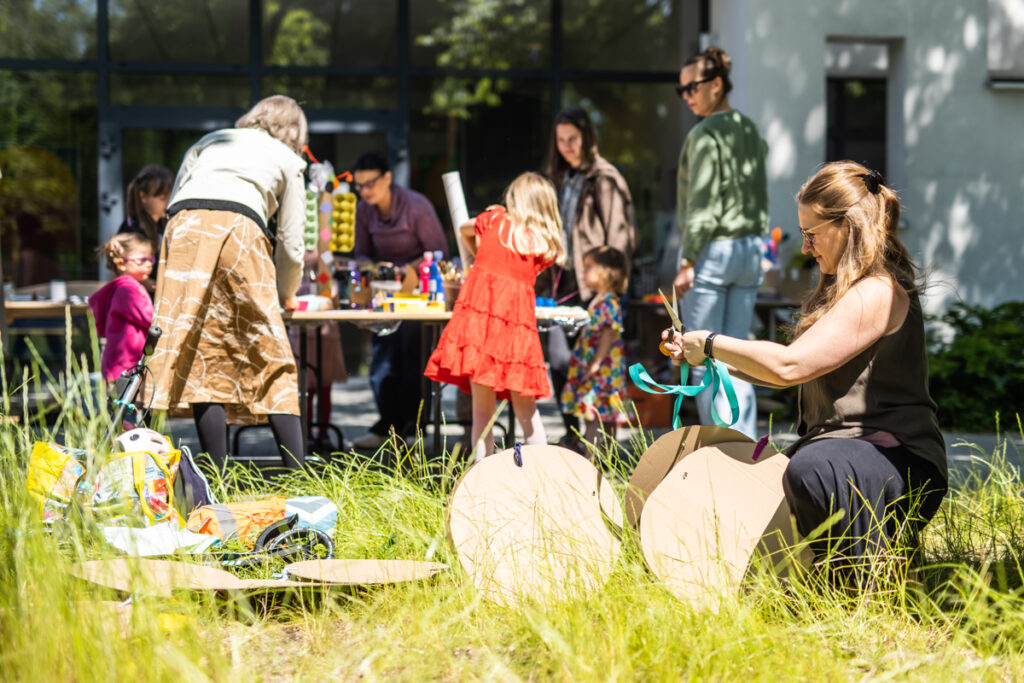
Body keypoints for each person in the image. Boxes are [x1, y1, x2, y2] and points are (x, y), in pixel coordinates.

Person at [664, 161, 948, 585]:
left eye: (811, 233)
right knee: (754, 481)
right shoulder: (845, 288)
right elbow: (793, 369)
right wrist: (704, 357)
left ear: (847, 225)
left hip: (897, 461)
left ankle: (865, 578)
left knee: (811, 469)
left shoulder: (878, 291)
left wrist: (710, 343)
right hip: (849, 455)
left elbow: (788, 365)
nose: (805, 248)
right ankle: (825, 574)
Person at [148, 95, 308, 470]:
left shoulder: (211, 141)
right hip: (239, 225)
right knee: (272, 353)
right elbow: (291, 242)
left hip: (183, 226)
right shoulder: (288, 159)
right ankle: (302, 480)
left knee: (203, 349)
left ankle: (214, 477)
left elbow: (177, 202)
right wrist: (286, 295)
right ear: (295, 131)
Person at [425, 172, 565, 460]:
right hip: (517, 337)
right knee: (529, 416)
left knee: (482, 416)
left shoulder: (494, 221)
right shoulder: (541, 244)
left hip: (479, 330)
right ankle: (544, 481)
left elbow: (464, 227)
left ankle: (480, 486)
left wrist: (479, 252)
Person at [672, 46, 768, 440]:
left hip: (712, 253)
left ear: (716, 84)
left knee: (702, 356)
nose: (687, 96)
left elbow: (703, 204)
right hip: (749, 250)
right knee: (736, 358)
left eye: (692, 87)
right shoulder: (748, 128)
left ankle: (719, 453)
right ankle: (746, 452)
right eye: (682, 91)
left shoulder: (705, 133)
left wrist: (687, 260)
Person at [541, 107, 637, 445]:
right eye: (561, 140)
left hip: (593, 285)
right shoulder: (559, 176)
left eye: (573, 139)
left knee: (592, 364)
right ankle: (571, 433)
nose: (567, 146)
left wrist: (610, 289)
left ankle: (595, 440)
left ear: (587, 138)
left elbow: (620, 239)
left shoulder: (606, 178)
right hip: (561, 281)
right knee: (559, 360)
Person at [351, 152, 448, 450]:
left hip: (418, 295)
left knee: (412, 358)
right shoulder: (365, 211)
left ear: (388, 178)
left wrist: (403, 270)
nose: (365, 191)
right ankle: (387, 427)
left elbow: (439, 252)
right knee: (381, 361)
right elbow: (362, 253)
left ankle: (413, 430)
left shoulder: (417, 206)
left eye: (371, 183)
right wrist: (371, 270)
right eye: (360, 185)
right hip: (384, 295)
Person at [560, 246, 630, 455]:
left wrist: (596, 363)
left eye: (589, 267)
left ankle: (591, 460)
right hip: (603, 369)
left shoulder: (607, 301)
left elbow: (608, 335)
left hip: (602, 370)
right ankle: (605, 460)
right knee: (605, 416)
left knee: (595, 415)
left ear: (606, 272)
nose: (583, 272)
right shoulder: (600, 300)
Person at [89, 233, 155, 383]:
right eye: (142, 260)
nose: (149, 264)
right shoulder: (127, 289)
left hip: (120, 363)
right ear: (121, 264)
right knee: (128, 404)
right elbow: (150, 318)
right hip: (127, 363)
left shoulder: (123, 286)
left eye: (151, 259)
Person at [118, 164, 174, 254]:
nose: (168, 202)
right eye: (162, 198)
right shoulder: (132, 230)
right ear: (143, 196)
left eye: (170, 197)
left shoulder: (162, 226)